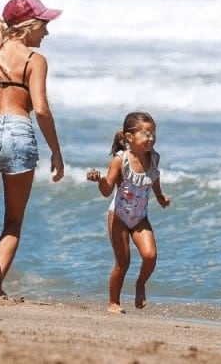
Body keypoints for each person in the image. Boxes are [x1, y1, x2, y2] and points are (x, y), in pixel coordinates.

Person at [0, 0, 65, 300]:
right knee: (13, 222)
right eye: (43, 25)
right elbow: (43, 110)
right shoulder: (35, 61)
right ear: (28, 26)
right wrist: (56, 152)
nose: (46, 32)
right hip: (19, 132)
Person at [86, 112, 170, 314]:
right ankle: (113, 302)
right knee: (122, 264)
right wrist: (99, 180)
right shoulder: (120, 160)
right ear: (130, 137)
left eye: (153, 133)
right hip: (119, 217)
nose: (151, 138)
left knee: (150, 256)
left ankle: (140, 284)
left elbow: (154, 177)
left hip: (140, 217)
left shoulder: (154, 158)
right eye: (146, 134)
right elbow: (107, 191)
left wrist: (159, 196)